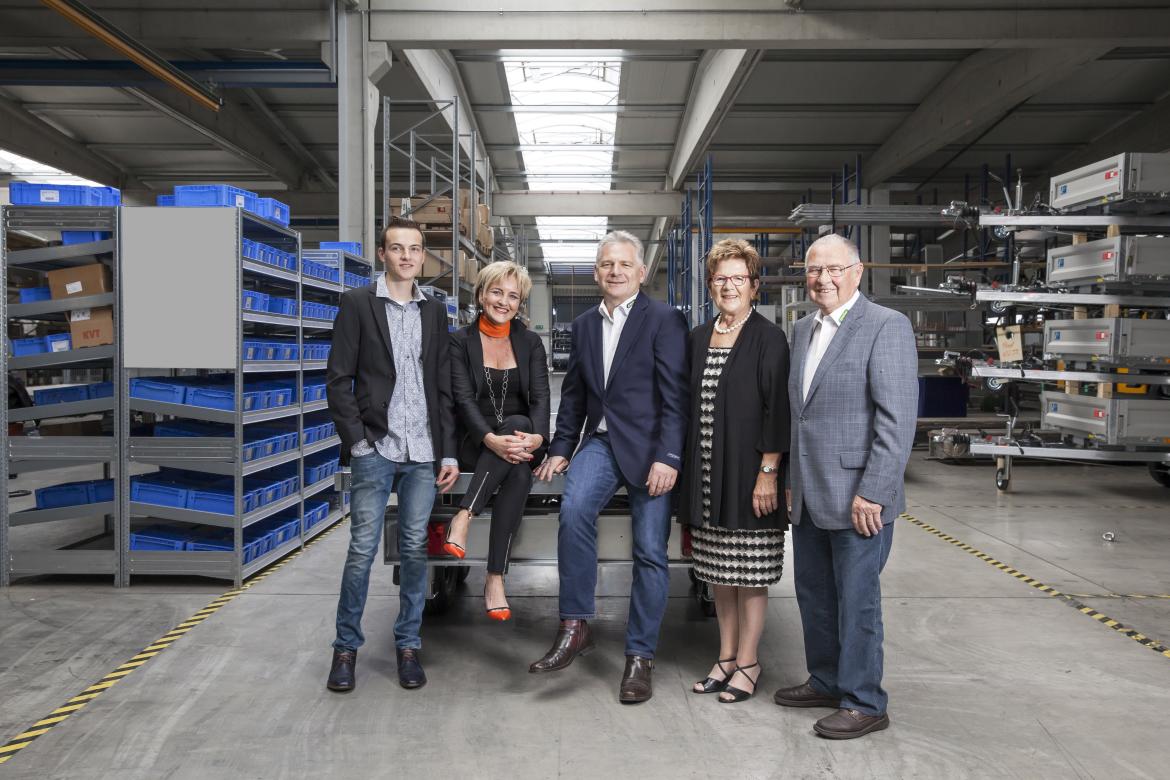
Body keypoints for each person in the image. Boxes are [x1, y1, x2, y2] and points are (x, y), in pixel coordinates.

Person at [529, 230, 689, 704]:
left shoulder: (663, 319)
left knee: (650, 551)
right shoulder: (583, 325)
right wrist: (561, 447)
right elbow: (575, 394)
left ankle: (640, 656)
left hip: (652, 450)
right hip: (600, 444)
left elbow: (676, 396)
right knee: (574, 510)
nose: (614, 271)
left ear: (641, 272)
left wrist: (669, 456)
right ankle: (575, 625)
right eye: (606, 264)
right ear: (596, 273)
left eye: (623, 264)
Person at [773, 233, 917, 739]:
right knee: (814, 594)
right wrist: (791, 482)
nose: (823, 279)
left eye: (834, 269)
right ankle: (827, 680)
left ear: (857, 272)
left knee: (857, 602)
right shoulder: (801, 329)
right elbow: (800, 416)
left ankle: (864, 701)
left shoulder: (885, 326)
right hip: (810, 492)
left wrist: (874, 490)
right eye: (815, 270)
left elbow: (896, 419)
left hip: (860, 497)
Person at [325, 216, 460, 693]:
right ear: (383, 254)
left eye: (415, 249)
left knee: (414, 549)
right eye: (397, 248)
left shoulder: (434, 311)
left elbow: (442, 385)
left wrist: (447, 453)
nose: (406, 256)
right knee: (362, 549)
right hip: (377, 446)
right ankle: (345, 649)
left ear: (423, 256)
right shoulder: (357, 303)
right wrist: (359, 442)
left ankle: (408, 646)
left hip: (422, 449)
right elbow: (338, 379)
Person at [678, 239, 790, 704]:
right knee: (719, 574)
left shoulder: (768, 338)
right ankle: (724, 657)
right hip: (707, 474)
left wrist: (768, 472)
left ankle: (748, 662)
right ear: (710, 285)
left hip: (749, 473)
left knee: (750, 574)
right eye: (720, 278)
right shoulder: (698, 337)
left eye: (738, 278)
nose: (729, 286)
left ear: (754, 285)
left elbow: (777, 409)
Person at [442, 261, 551, 621]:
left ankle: (465, 516)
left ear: (520, 303)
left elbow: (541, 398)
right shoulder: (460, 341)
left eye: (513, 296)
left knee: (518, 430)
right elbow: (462, 399)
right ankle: (494, 578)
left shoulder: (530, 342)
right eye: (497, 292)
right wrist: (490, 439)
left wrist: (538, 437)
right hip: (476, 441)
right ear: (480, 295)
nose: (504, 301)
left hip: (521, 440)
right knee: (517, 470)